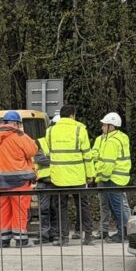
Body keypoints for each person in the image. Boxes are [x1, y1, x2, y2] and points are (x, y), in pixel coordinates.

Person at [0, 110, 39, 248]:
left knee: (1, 210)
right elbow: (33, 150)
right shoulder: (19, 136)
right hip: (18, 180)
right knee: (20, 209)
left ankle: (3, 239)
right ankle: (21, 240)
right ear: (15, 123)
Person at [45, 104, 94, 245]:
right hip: (78, 176)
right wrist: (90, 175)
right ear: (73, 115)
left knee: (61, 208)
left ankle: (63, 238)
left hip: (58, 177)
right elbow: (87, 154)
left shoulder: (50, 131)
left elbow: (49, 150)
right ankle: (89, 236)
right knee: (83, 206)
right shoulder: (80, 129)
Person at [94, 112, 131, 242]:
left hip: (112, 179)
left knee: (117, 208)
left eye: (104, 125)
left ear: (111, 126)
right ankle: (126, 232)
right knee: (121, 207)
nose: (102, 127)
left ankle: (122, 234)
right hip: (121, 178)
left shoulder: (111, 141)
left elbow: (108, 164)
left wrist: (102, 177)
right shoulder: (122, 137)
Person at [32, 122, 58, 244]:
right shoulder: (40, 142)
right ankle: (44, 234)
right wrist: (57, 160)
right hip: (44, 181)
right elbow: (39, 159)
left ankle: (54, 234)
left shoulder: (61, 143)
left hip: (57, 181)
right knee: (44, 209)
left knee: (55, 209)